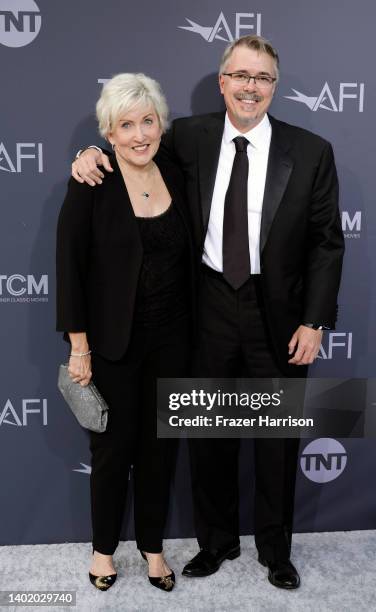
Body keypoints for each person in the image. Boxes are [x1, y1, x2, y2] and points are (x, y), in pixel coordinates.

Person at [71, 35, 345, 590]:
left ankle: (276, 550)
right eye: (241, 75)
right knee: (209, 436)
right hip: (204, 309)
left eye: (262, 77)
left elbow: (327, 244)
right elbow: (131, 152)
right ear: (222, 83)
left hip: (280, 316)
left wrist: (314, 321)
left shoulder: (312, 151)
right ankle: (216, 542)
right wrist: (88, 155)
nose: (251, 86)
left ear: (274, 86)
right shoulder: (188, 138)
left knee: (276, 438)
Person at [57, 73, 196, 592]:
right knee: (113, 453)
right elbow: (69, 268)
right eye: (125, 125)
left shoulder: (177, 173)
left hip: (174, 341)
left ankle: (154, 550)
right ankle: (102, 552)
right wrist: (79, 346)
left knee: (161, 449)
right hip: (113, 347)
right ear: (109, 134)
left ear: (160, 124)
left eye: (148, 121)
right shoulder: (91, 181)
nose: (140, 134)